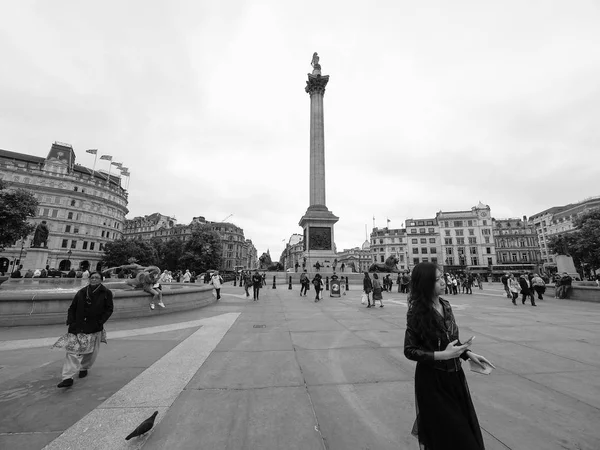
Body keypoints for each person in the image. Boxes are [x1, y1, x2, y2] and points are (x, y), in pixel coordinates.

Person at [404, 262, 494, 449]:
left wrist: (468, 354)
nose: (443, 282)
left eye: (442, 277)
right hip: (432, 381)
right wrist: (441, 355)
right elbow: (410, 350)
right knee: (453, 436)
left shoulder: (446, 305)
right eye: (437, 280)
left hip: (455, 378)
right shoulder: (416, 312)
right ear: (425, 283)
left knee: (460, 432)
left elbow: (452, 340)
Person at [54, 272, 114, 388]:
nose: (94, 279)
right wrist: (70, 320)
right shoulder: (81, 292)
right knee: (72, 352)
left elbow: (109, 309)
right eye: (92, 277)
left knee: (91, 352)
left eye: (97, 278)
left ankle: (84, 367)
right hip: (77, 326)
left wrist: (100, 322)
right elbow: (72, 307)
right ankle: (67, 377)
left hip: (94, 326)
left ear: (102, 280)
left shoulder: (106, 293)